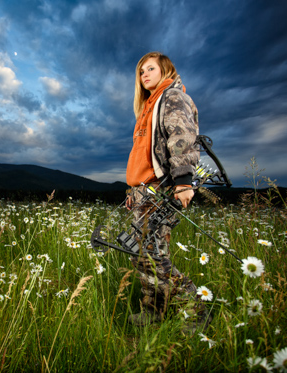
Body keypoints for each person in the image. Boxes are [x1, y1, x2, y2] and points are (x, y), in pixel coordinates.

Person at [125, 51, 208, 330]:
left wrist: (184, 180)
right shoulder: (149, 106)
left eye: (150, 69)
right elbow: (142, 156)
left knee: (153, 254)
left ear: (165, 70)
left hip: (163, 189)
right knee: (141, 254)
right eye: (141, 71)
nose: (144, 74)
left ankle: (196, 311)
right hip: (144, 191)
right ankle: (153, 313)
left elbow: (182, 136)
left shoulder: (172, 97)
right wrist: (133, 192)